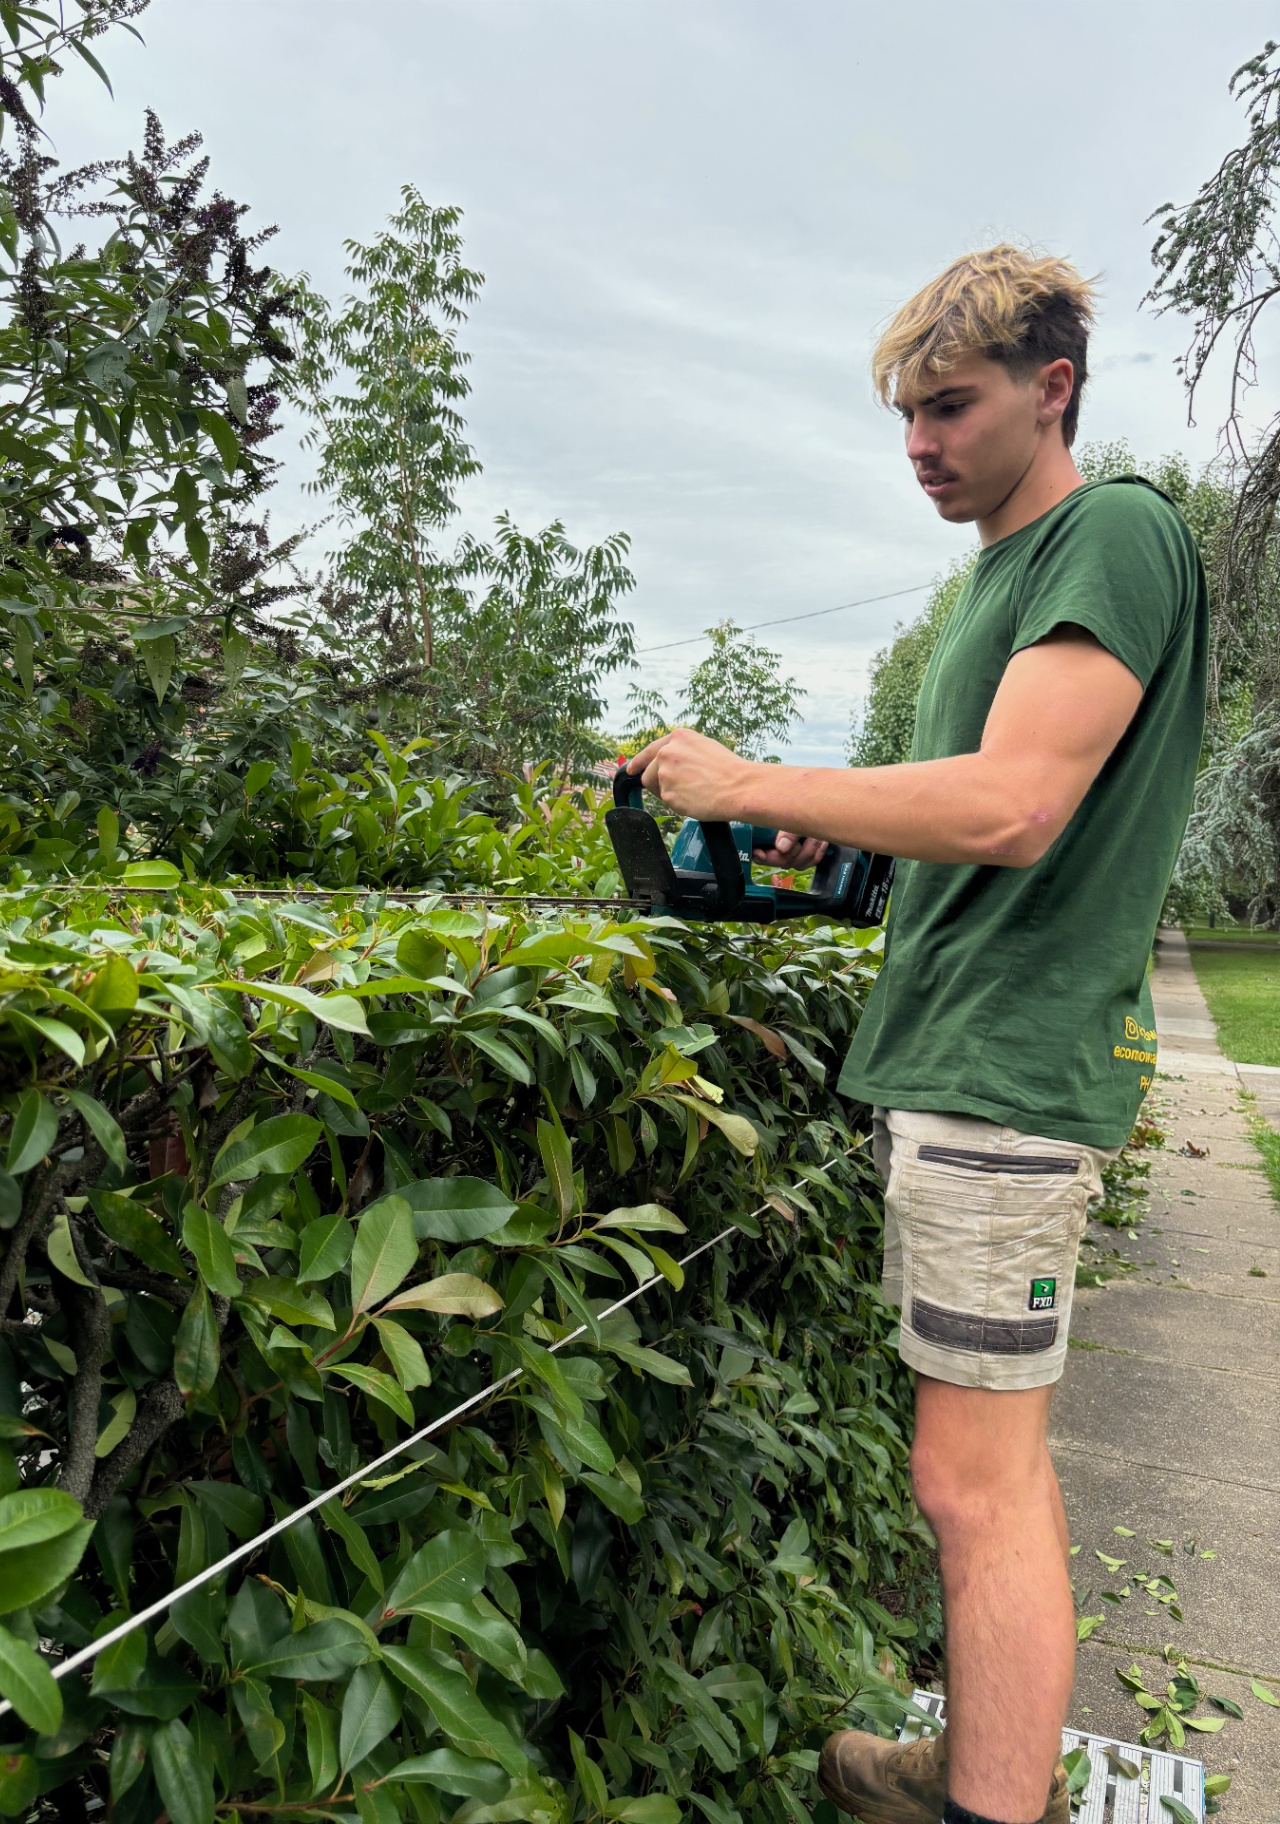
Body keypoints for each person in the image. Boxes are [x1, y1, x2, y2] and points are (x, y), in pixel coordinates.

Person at [626, 244, 1208, 1824]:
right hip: (971, 1069)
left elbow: (1015, 806)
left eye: (950, 407)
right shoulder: (1000, 583)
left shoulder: (1112, 532)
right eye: (903, 416)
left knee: (972, 1486)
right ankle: (978, 1760)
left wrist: (751, 781)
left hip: (1007, 1078)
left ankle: (984, 1802)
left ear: (1052, 387)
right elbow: (969, 806)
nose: (919, 444)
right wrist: (844, 825)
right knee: (990, 1471)